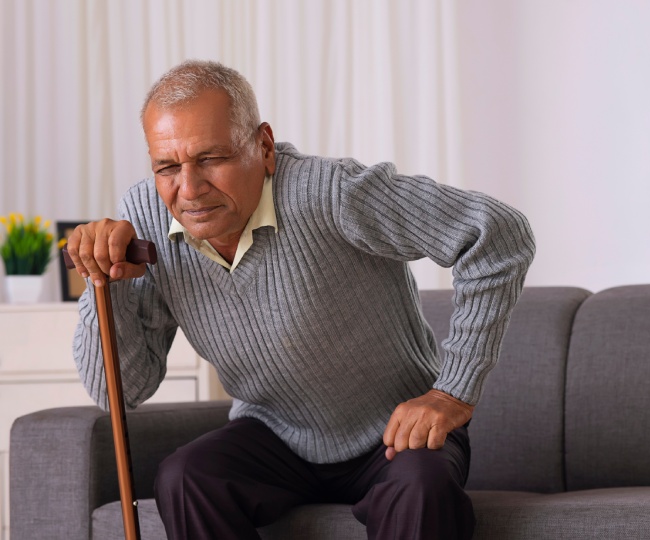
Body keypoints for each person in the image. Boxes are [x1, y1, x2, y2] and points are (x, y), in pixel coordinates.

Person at [67, 60, 535, 540]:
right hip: (274, 435)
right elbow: (119, 394)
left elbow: (499, 235)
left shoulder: (331, 193)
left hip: (394, 435)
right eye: (167, 166)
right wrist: (105, 281)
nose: (189, 189)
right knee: (185, 478)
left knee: (421, 488)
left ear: (264, 147)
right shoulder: (145, 218)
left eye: (211, 158)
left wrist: (450, 392)